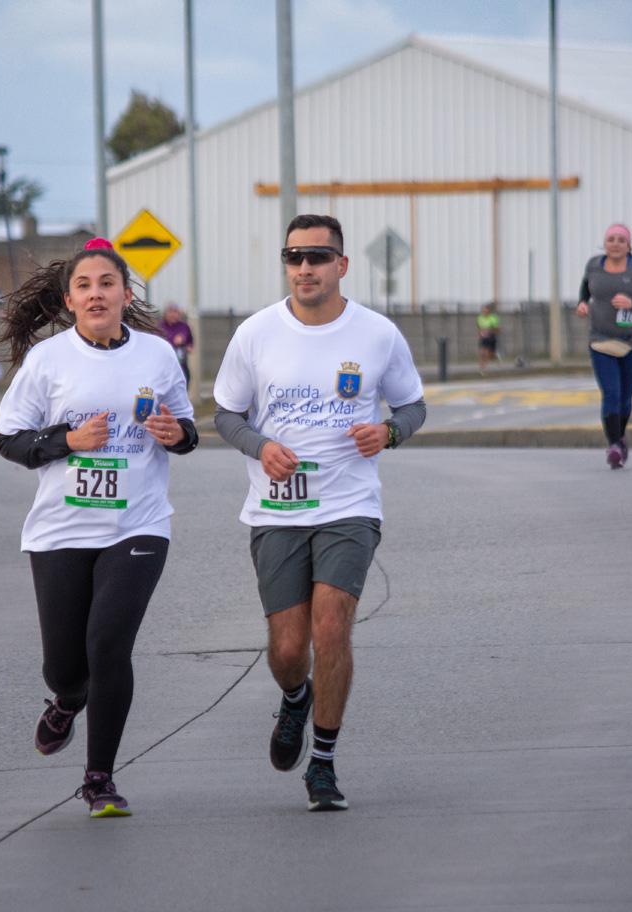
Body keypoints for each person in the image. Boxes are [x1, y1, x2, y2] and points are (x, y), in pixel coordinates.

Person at [213, 214, 426, 812]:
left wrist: (389, 432)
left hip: (349, 506)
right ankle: (295, 697)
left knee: (331, 629)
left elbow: (412, 406)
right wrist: (261, 447)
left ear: (341, 265)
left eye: (317, 256)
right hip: (277, 509)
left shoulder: (377, 334)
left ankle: (324, 764)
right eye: (294, 256)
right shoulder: (256, 333)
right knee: (288, 650)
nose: (304, 267)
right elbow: (226, 414)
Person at [0, 237, 198, 818]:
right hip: (61, 530)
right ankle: (67, 699)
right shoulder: (47, 360)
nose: (96, 294)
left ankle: (99, 777)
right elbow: (10, 440)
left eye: (107, 283)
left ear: (125, 293)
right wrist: (68, 440)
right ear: (69, 300)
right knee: (65, 666)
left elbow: (186, 430)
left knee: (108, 646)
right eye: (83, 286)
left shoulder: (157, 355)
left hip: (138, 524)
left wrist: (176, 435)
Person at [577, 223, 632, 469]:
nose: (615, 244)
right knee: (611, 394)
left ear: (628, 245)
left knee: (625, 399)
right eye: (611, 239)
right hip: (600, 341)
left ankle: (620, 437)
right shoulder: (594, 265)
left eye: (621, 240)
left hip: (631, 343)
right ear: (604, 244)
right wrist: (582, 303)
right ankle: (614, 445)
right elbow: (585, 288)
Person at [157, 302, 194, 387]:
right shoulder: (160, 326)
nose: (173, 315)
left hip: (181, 366)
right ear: (165, 313)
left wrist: (186, 345)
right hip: (164, 367)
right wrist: (173, 341)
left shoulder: (184, 326)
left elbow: (190, 344)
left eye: (176, 312)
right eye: (171, 312)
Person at [476, 303, 500, 374]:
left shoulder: (493, 318)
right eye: (483, 310)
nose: (484, 312)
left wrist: (489, 331)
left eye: (486, 310)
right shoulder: (480, 318)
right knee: (482, 353)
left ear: (489, 311)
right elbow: (479, 328)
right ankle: (482, 369)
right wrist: (480, 333)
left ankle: (495, 356)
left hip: (491, 337)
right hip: (483, 338)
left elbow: (497, 330)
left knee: (490, 354)